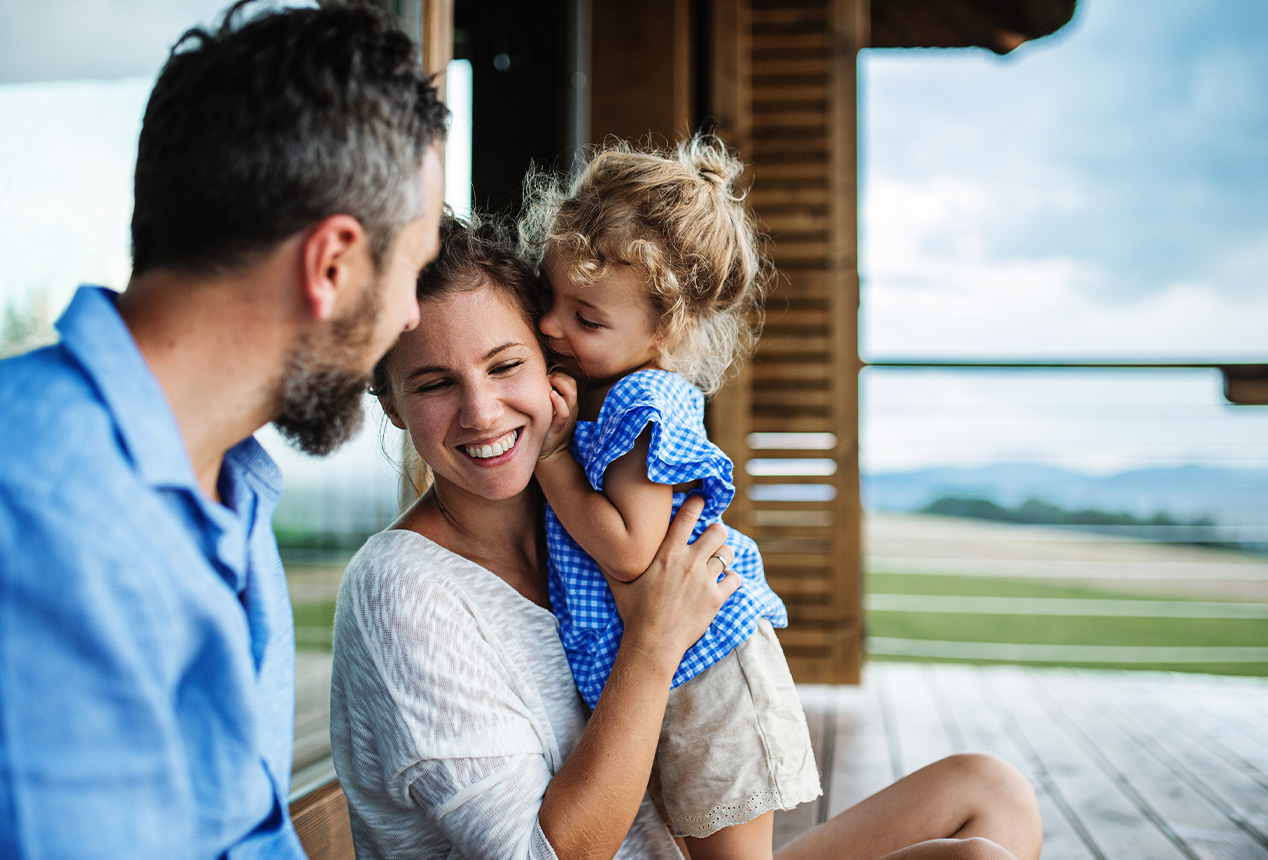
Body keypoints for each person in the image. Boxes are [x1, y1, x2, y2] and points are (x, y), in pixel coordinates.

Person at [330, 216, 1043, 860]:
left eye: (505, 364)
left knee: (991, 789)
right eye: (432, 383)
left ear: (555, 359)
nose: (483, 412)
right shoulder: (404, 589)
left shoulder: (579, 527)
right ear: (390, 403)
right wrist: (654, 638)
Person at [0, 2, 447, 857]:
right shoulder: (40, 516)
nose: (409, 315)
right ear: (332, 264)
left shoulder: (229, 484)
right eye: (414, 270)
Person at [520, 135, 815, 859]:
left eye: (586, 319)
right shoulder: (604, 389)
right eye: (548, 300)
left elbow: (629, 549)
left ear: (668, 329)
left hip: (711, 679)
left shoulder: (645, 402)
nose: (553, 328)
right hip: (676, 669)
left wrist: (552, 457)